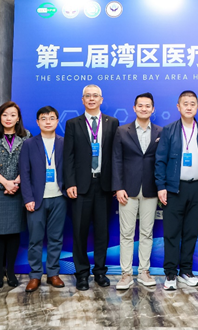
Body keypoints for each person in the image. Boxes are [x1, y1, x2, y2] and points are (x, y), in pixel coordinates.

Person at [155, 90, 198, 291]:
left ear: (197, 106)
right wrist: (161, 187)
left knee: (191, 232)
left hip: (197, 188)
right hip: (174, 188)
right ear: (178, 107)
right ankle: (170, 273)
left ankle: (186, 271)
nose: (189, 107)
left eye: (192, 104)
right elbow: (160, 161)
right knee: (171, 233)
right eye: (185, 103)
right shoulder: (169, 130)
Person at [63, 84, 119, 291]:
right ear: (83, 100)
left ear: (101, 99)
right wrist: (70, 183)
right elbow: (68, 156)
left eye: (95, 96)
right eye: (88, 96)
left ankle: (100, 272)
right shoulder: (73, 124)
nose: (92, 99)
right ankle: (82, 274)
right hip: (81, 187)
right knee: (80, 231)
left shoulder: (112, 123)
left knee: (102, 232)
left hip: (104, 186)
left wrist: (116, 184)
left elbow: (116, 156)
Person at [112, 93, 162, 290]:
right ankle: (125, 274)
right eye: (140, 105)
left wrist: (161, 187)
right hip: (127, 190)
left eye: (147, 106)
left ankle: (144, 272)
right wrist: (118, 187)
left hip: (151, 189)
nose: (144, 109)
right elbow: (116, 160)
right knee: (126, 233)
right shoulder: (122, 131)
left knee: (147, 232)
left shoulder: (160, 132)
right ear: (134, 108)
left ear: (153, 109)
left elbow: (162, 161)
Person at [0, 101, 30, 289]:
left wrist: (16, 182)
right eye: (4, 115)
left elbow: (30, 162)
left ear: (18, 118)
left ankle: (10, 271)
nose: (8, 118)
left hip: (17, 189)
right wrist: (5, 183)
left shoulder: (26, 137)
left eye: (12, 115)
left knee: (13, 231)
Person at [19, 106, 67, 292]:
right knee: (35, 239)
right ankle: (35, 275)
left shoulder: (64, 142)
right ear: (37, 122)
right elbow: (24, 172)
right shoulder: (29, 144)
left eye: (52, 118)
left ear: (57, 121)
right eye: (44, 118)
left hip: (59, 198)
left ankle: (53, 273)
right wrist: (28, 198)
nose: (48, 122)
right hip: (36, 199)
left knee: (56, 238)